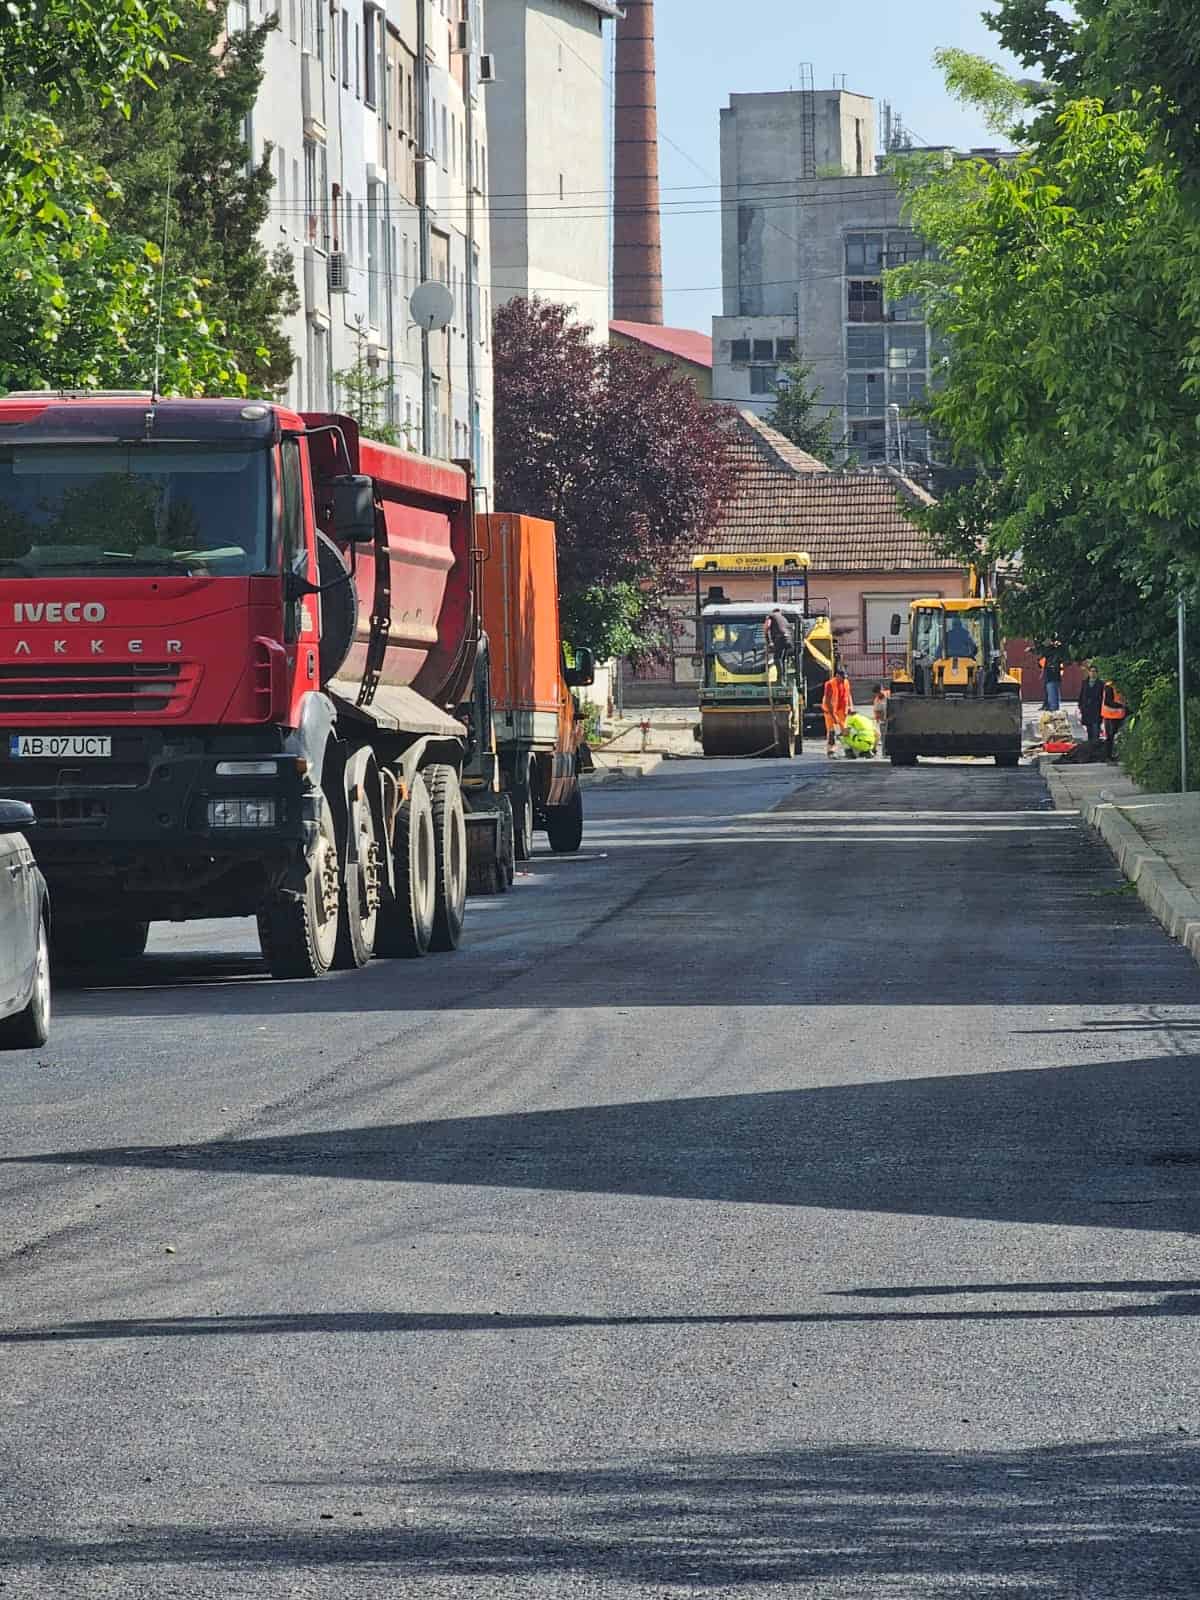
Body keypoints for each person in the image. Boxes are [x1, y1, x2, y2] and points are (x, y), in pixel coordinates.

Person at [822, 665, 853, 755]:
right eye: (842, 677)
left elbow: (848, 695)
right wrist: (833, 716)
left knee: (845, 730)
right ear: (837, 676)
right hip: (830, 711)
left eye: (845, 677)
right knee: (832, 732)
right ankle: (831, 751)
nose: (843, 679)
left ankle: (848, 749)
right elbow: (828, 701)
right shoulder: (829, 684)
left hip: (842, 711)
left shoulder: (846, 682)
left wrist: (851, 707)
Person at [1101, 679, 1127, 760]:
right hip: (1111, 716)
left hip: (1116, 715)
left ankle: (1109, 755)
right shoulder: (1110, 687)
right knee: (1111, 737)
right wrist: (1122, 706)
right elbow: (1108, 702)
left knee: (1111, 738)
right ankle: (1109, 756)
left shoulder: (1116, 686)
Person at [763, 608, 795, 675]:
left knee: (777, 658)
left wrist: (769, 641)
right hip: (789, 639)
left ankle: (780, 677)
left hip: (780, 638)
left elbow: (767, 627)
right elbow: (791, 628)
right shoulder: (784, 618)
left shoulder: (771, 616)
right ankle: (785, 674)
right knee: (783, 658)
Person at [1078, 664, 1104, 744]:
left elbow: (1102, 697)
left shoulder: (1101, 684)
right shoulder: (1084, 683)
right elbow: (1081, 695)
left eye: (1095, 671)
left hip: (1096, 709)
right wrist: (1080, 706)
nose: (1093, 673)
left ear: (1097, 673)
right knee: (1089, 729)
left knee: (1096, 729)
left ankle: (1096, 746)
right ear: (1088, 672)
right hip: (1087, 709)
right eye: (1091, 671)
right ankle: (1090, 746)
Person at [1040, 645, 1063, 712]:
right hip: (1052, 678)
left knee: (1053, 701)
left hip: (1051, 677)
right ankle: (1053, 711)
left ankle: (1054, 713)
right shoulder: (1054, 652)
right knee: (1053, 699)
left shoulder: (1051, 652)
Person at [871, 682, 889, 758]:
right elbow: (878, 714)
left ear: (882, 689)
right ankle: (885, 754)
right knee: (884, 738)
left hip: (893, 720)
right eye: (877, 693)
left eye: (879, 692)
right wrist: (883, 719)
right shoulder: (877, 701)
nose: (879, 694)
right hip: (884, 722)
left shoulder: (889, 694)